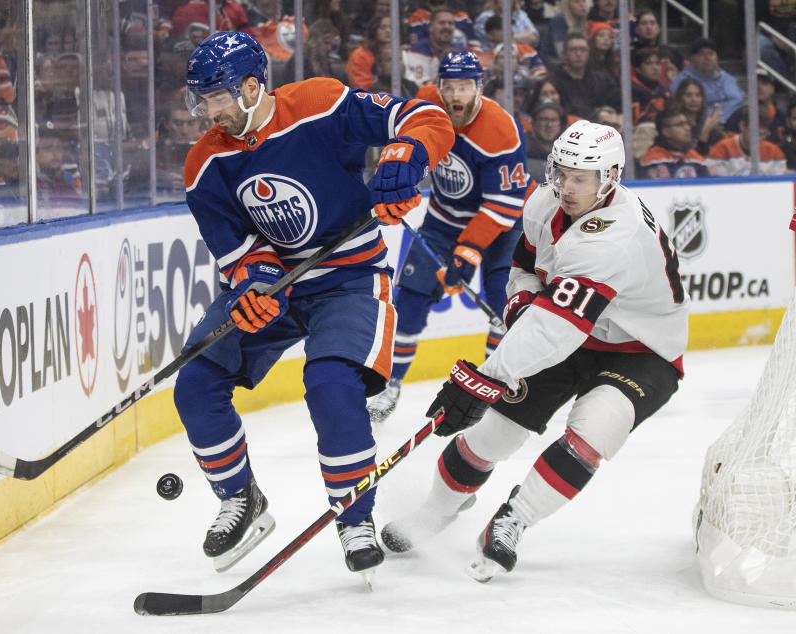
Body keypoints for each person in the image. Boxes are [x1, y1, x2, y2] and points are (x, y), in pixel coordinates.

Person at [176, 31, 454, 576]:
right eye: (202, 100)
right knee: (196, 382)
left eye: (219, 97)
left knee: (331, 386)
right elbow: (240, 250)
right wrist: (255, 283)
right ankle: (240, 499)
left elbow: (421, 116)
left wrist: (408, 152)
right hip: (282, 283)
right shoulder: (204, 164)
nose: (210, 111)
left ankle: (355, 518)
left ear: (253, 86)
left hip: (350, 276)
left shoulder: (320, 104)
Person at [380, 120, 689, 584]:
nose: (564, 185)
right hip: (574, 330)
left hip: (641, 350)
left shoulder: (616, 236)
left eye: (579, 178)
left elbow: (556, 330)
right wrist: (520, 299)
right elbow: (524, 266)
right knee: (492, 435)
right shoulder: (544, 202)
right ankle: (434, 511)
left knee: (595, 428)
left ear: (611, 177)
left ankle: (514, 519)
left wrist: (483, 378)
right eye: (559, 172)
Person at [367, 52, 529, 424]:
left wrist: (468, 252)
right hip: (443, 219)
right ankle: (389, 385)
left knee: (505, 307)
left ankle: (494, 387)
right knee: (407, 304)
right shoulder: (426, 105)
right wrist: (398, 181)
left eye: (465, 87)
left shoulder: (500, 129)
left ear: (480, 88)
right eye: (449, 87)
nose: (456, 96)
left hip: (503, 225)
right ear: (439, 86)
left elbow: (504, 203)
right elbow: (408, 150)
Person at [671, 38, 744, 125]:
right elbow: (683, 108)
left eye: (711, 54)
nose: (707, 58)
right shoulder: (681, 81)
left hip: (729, 124)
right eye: (702, 54)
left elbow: (738, 101)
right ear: (691, 59)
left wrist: (718, 118)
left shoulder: (726, 78)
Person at [548, 32, 620, 117]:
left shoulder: (603, 80)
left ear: (588, 53)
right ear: (564, 54)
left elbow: (618, 106)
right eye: (573, 50)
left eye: (582, 50)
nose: (578, 54)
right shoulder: (552, 83)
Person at [706, 105, 788, 176]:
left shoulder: (774, 152)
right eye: (754, 133)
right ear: (742, 126)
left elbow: (782, 184)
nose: (758, 138)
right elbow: (714, 183)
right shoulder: (722, 149)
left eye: (762, 134)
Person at [403, 7, 467, 87]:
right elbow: (421, 88)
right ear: (430, 27)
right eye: (441, 23)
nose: (446, 27)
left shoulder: (459, 53)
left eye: (450, 23)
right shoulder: (418, 51)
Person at [639, 109, 709, 178]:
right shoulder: (653, 158)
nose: (688, 128)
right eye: (680, 124)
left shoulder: (694, 156)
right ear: (666, 132)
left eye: (687, 123)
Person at [672, 77, 724, 156]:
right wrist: (705, 131)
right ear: (680, 98)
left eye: (698, 95)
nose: (694, 99)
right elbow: (691, 158)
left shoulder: (706, 125)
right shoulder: (676, 126)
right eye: (688, 95)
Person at [346, 15, 391, 90]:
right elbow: (362, 88)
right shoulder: (360, 55)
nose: (388, 31)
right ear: (373, 30)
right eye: (383, 28)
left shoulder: (399, 53)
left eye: (391, 27)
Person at [630, 48, 669, 125]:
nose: (655, 68)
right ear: (638, 69)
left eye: (658, 63)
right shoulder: (631, 89)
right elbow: (636, 120)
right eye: (648, 64)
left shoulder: (664, 89)